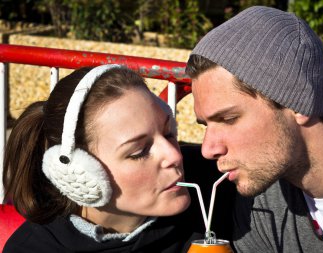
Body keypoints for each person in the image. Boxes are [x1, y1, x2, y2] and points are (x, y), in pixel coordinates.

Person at [186, 6, 323, 253]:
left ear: (297, 102)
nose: (208, 149)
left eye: (228, 118)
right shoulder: (265, 195)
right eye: (205, 125)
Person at [2, 64, 206, 252]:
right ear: (78, 173)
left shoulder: (215, 182)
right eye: (139, 152)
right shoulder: (32, 249)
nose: (173, 155)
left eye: (170, 133)